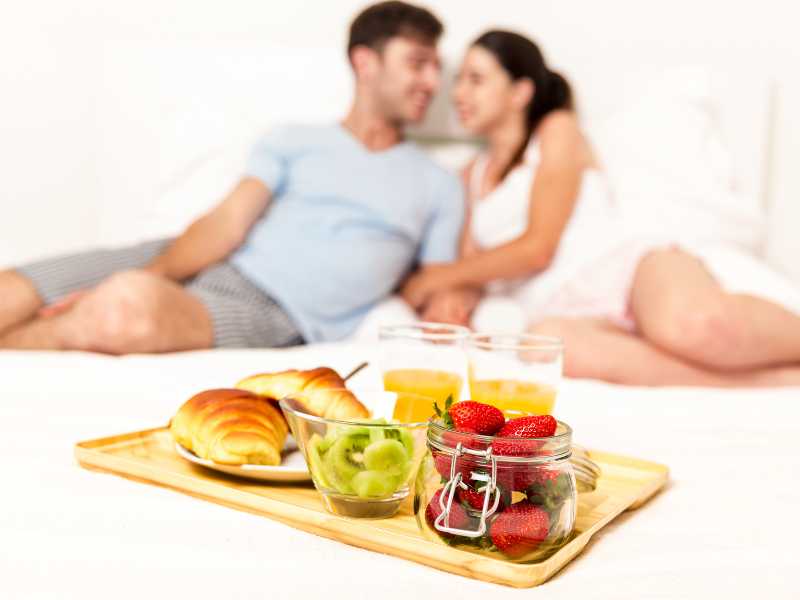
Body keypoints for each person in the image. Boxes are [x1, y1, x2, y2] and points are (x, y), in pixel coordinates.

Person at [0, 1, 466, 354]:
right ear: (366, 62)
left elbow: (437, 281)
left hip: (274, 312)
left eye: (436, 68)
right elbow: (228, 222)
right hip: (196, 256)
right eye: (417, 63)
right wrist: (152, 272)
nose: (431, 81)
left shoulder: (438, 184)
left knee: (122, 310)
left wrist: (451, 299)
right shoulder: (292, 139)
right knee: (10, 291)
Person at [401, 29, 800, 387]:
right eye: (458, 81)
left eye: (476, 79)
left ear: (520, 92)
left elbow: (538, 247)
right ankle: (774, 381)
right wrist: (452, 298)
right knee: (547, 349)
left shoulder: (556, 130)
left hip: (626, 268)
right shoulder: (470, 176)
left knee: (694, 326)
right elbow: (475, 268)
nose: (458, 94)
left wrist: (434, 279)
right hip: (561, 306)